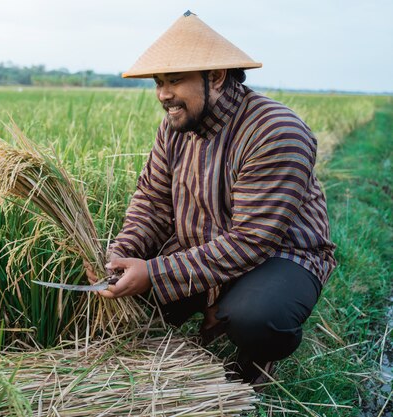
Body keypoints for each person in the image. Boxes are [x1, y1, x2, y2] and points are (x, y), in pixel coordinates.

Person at [85, 11, 336, 385]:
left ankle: (256, 359)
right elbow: (152, 202)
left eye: (174, 81)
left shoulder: (275, 131)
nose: (163, 94)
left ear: (216, 76)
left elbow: (252, 241)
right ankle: (213, 304)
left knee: (255, 317)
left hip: (279, 255)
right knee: (125, 295)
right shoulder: (175, 127)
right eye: (158, 82)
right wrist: (121, 254)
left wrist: (154, 272)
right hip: (201, 250)